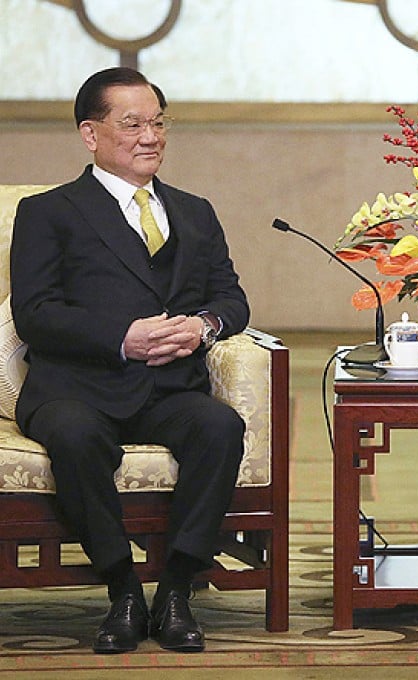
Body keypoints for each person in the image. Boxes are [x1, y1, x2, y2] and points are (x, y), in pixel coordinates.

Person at [10, 67, 250, 654]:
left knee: (220, 427)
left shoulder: (195, 211)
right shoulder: (49, 212)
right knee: (72, 434)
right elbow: (36, 312)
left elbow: (232, 300)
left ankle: (175, 591)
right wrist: (124, 336)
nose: (151, 136)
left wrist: (203, 325)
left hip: (167, 391)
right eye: (133, 124)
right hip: (76, 389)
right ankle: (121, 588)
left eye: (159, 123)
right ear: (91, 135)